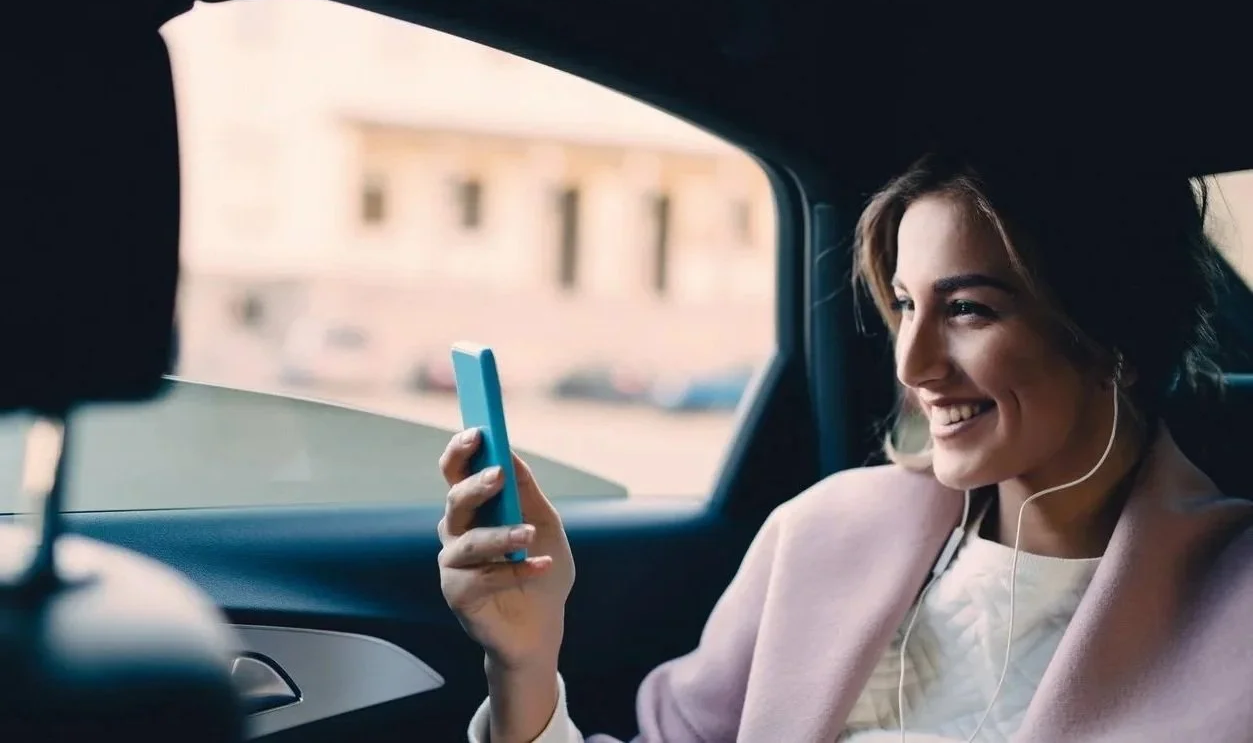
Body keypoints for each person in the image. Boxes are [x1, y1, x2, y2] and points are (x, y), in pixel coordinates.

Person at [436, 153, 1253, 742]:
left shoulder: (1235, 606)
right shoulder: (822, 533)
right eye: (903, 306)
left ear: (1115, 332)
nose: (912, 364)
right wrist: (527, 665)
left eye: (966, 308)